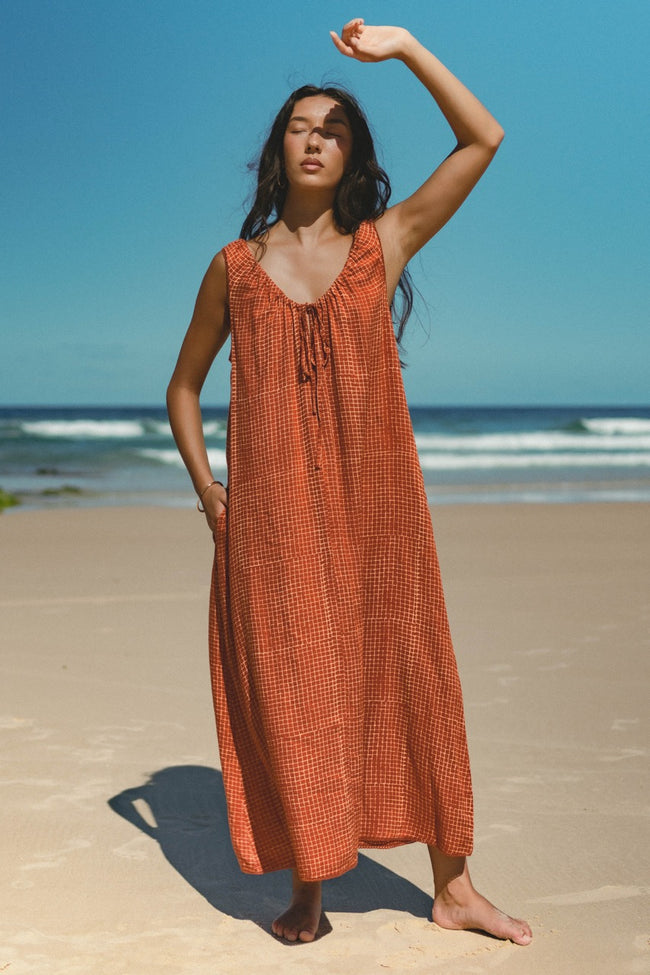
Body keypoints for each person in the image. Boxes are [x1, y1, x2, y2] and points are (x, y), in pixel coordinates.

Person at [167, 18, 532, 947]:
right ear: (277, 151)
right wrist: (211, 492)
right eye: (300, 125)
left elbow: (483, 138)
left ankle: (454, 886)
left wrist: (406, 48)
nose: (315, 138)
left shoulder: (385, 244)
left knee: (411, 674)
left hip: (380, 509)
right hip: (274, 519)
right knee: (298, 687)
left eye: (333, 128)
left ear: (351, 156)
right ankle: (310, 886)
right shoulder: (234, 270)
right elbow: (183, 387)